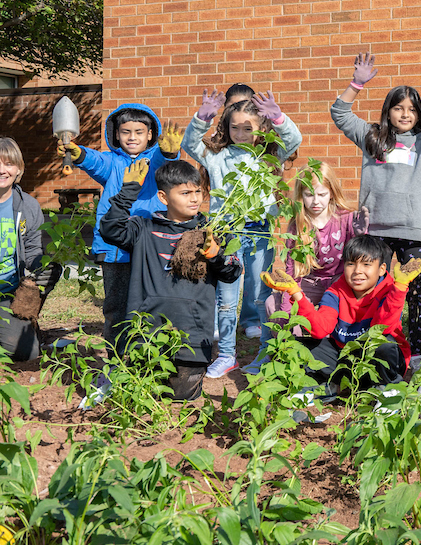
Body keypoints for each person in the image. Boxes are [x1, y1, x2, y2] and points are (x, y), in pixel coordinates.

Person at [332, 54, 421, 366]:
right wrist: (356, 83)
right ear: (388, 110)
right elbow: (340, 113)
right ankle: (376, 345)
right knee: (377, 292)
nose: (405, 114)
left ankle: (416, 351)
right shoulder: (373, 137)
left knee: (414, 292)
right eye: (398, 107)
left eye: (412, 109)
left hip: (412, 231)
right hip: (376, 232)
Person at [96, 159, 243, 401]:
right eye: (185, 193)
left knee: (181, 397)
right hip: (145, 336)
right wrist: (128, 191)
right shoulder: (143, 228)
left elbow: (232, 272)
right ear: (164, 198)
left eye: (198, 191)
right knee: (142, 396)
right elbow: (110, 229)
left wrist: (216, 256)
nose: (194, 198)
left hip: (193, 339)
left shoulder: (211, 230)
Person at [183, 90, 303, 377]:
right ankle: (226, 354)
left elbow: (293, 140)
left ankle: (263, 352)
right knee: (225, 299)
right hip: (226, 234)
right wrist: (202, 118)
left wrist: (278, 116)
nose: (239, 132)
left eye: (247, 128)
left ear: (261, 129)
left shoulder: (269, 155)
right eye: (233, 127)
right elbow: (189, 144)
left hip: (260, 232)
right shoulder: (217, 156)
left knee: (262, 295)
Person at [57, 103, 182, 350]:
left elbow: (160, 161)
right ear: (116, 134)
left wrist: (168, 154)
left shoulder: (153, 161)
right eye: (126, 132)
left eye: (139, 132)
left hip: (149, 244)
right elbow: (93, 160)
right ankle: (116, 357)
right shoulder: (111, 163)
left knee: (151, 302)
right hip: (115, 250)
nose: (132, 137)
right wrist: (78, 152)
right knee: (115, 306)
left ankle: (147, 353)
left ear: (150, 134)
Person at [262, 234, 421, 397]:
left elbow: (382, 329)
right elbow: (320, 329)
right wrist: (296, 293)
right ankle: (340, 387)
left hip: (380, 360)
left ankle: (387, 391)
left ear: (382, 269)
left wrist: (400, 287)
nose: (357, 271)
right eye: (351, 264)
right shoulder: (336, 292)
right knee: (291, 348)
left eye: (366, 264)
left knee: (383, 344)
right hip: (346, 357)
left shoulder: (390, 290)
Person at [245, 162, 368, 375]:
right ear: (301, 196)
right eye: (309, 195)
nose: (316, 201)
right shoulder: (298, 225)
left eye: (321, 194)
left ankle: (327, 357)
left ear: (332, 193)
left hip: (337, 287)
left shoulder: (346, 219)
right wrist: (285, 314)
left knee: (331, 319)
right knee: (271, 305)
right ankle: (285, 353)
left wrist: (360, 235)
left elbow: (359, 258)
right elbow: (292, 274)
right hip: (307, 286)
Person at [0, 139, 59, 361]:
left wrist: (42, 266)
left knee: (26, 353)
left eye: (8, 163)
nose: (2, 170)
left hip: (7, 293)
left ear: (18, 170)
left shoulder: (28, 206)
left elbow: (33, 249)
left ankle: (21, 326)